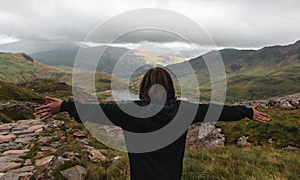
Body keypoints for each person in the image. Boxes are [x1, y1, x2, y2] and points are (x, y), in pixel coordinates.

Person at [34, 67, 270, 180]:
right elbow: (217, 111)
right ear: (169, 88)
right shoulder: (184, 110)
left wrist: (63, 105)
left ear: (144, 88)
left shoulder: (129, 112)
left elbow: (95, 110)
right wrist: (248, 112)